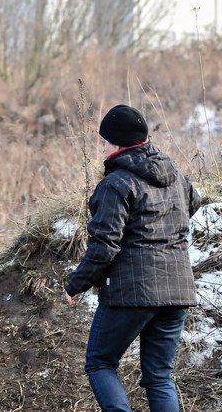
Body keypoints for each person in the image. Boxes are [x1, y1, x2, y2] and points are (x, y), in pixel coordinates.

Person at [65, 104, 200, 412]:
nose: (102, 147)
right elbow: (193, 203)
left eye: (104, 141)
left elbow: (105, 245)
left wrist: (76, 284)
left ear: (118, 143)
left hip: (132, 293)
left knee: (100, 363)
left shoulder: (116, 184)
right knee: (160, 376)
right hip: (178, 291)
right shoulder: (175, 174)